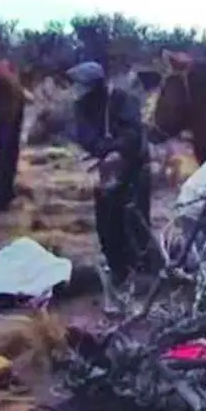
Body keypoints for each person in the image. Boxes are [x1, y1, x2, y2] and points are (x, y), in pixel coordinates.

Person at [65, 61, 161, 288]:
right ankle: (119, 270)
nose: (76, 89)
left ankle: (146, 271)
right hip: (106, 171)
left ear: (96, 86)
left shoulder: (122, 100)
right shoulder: (81, 106)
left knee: (135, 218)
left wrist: (118, 149)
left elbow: (134, 134)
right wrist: (105, 151)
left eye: (81, 84)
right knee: (107, 222)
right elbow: (85, 137)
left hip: (134, 167)